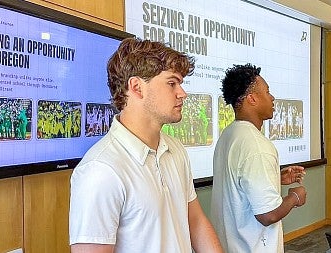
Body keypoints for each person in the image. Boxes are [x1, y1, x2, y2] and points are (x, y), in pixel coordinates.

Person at [69, 37, 223, 253]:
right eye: (172, 83)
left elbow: (195, 222)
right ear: (137, 87)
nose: (182, 93)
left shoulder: (175, 149)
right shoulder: (100, 170)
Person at [211, 63, 307, 253]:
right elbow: (268, 215)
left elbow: (238, 187)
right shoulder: (257, 145)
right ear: (252, 99)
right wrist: (295, 196)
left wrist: (274, 178)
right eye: (267, 92)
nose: (272, 98)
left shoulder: (229, 135)